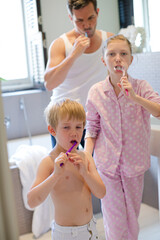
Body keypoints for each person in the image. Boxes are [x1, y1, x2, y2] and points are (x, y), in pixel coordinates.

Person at [84, 34, 160, 240]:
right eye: (112, 54)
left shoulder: (141, 86)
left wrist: (134, 97)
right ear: (103, 59)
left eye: (123, 53)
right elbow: (91, 129)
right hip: (107, 166)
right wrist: (87, 157)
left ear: (131, 59)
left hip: (134, 166)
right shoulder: (96, 92)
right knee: (114, 220)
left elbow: (158, 110)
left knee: (132, 219)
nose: (118, 58)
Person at [27, 98, 106, 240]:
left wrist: (85, 173)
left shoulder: (86, 158)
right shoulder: (49, 162)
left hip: (90, 230)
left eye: (78, 127)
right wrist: (55, 175)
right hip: (65, 234)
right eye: (66, 127)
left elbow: (101, 193)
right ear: (52, 130)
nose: (74, 133)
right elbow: (32, 201)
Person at [44, 0, 113, 148]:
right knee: (66, 169)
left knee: (98, 169)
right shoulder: (60, 44)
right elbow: (49, 83)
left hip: (96, 118)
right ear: (71, 18)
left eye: (91, 18)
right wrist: (74, 54)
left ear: (97, 13)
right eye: (79, 20)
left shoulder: (109, 41)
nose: (87, 25)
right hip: (64, 119)